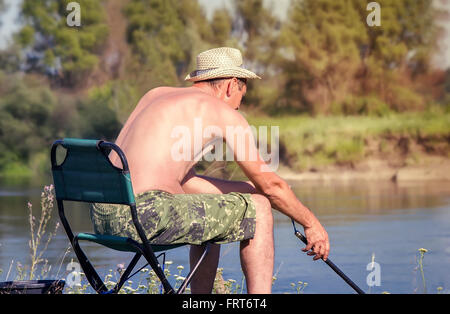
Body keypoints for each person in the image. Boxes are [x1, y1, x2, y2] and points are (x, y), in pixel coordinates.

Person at [90, 47, 329, 294]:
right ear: (231, 85)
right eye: (242, 95)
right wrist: (311, 224)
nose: (238, 106)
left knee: (215, 205)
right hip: (144, 215)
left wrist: (251, 191)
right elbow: (272, 185)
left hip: (105, 216)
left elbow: (185, 183)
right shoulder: (222, 112)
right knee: (258, 210)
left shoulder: (155, 95)